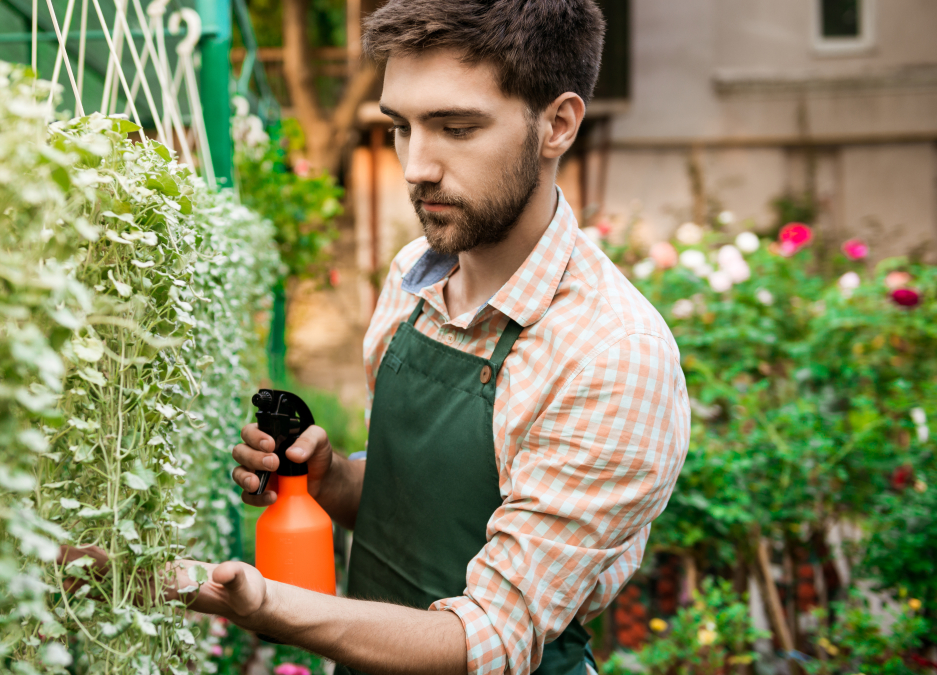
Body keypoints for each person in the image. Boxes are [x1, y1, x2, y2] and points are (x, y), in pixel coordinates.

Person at [182, 1, 689, 673]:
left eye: (455, 127)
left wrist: (271, 605)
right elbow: (417, 515)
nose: (416, 166)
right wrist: (330, 480)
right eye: (402, 127)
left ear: (558, 124)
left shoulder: (611, 353)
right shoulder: (412, 282)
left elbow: (486, 638)